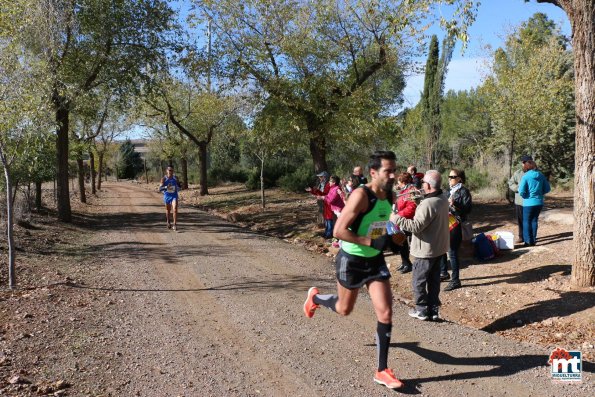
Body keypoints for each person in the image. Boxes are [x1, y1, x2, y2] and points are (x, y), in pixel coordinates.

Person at [303, 151, 404, 390]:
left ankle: (382, 370)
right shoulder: (361, 195)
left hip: (375, 261)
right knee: (344, 309)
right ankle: (315, 298)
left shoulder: (390, 195)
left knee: (386, 313)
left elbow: (381, 224)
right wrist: (370, 242)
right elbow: (338, 230)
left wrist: (395, 236)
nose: (392, 175)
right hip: (352, 260)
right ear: (373, 173)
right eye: (387, 171)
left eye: (394, 170)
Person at [390, 170, 449, 321]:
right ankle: (433, 310)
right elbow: (430, 217)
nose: (421, 185)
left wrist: (394, 218)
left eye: (423, 183)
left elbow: (415, 226)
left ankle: (422, 310)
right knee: (434, 280)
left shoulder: (428, 203)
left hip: (425, 250)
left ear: (428, 185)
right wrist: (418, 202)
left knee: (419, 280)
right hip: (438, 248)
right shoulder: (442, 197)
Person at [440, 169, 473, 291]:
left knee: (452, 253)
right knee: (441, 249)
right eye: (448, 176)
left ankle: (455, 280)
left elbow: (468, 209)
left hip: (456, 225)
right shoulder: (448, 191)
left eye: (452, 176)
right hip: (444, 223)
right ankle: (443, 272)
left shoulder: (464, 191)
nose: (449, 178)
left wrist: (455, 204)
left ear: (459, 178)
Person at [518, 160, 551, 246]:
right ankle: (533, 240)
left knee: (526, 221)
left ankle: (528, 242)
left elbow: (521, 191)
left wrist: (525, 196)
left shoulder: (525, 176)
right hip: (539, 202)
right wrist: (540, 194)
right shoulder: (541, 175)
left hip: (528, 203)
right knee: (534, 220)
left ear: (526, 167)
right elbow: (547, 189)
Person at [393, 172, 417, 274]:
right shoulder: (404, 190)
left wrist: (398, 214)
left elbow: (412, 207)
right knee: (400, 242)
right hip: (401, 219)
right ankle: (404, 262)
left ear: (403, 181)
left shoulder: (411, 191)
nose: (397, 183)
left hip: (408, 220)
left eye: (398, 181)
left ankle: (407, 264)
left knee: (402, 242)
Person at [507, 155, 532, 244]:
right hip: (519, 201)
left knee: (530, 220)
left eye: (529, 162)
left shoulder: (535, 173)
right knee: (521, 220)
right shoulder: (517, 173)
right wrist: (518, 188)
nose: (527, 164)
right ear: (523, 163)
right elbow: (510, 183)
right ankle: (521, 237)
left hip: (531, 201)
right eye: (526, 162)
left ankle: (529, 238)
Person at [159, 166, 182, 230]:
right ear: (167, 171)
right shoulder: (163, 179)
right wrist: (166, 187)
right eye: (169, 170)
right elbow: (160, 189)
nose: (170, 172)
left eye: (172, 170)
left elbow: (179, 186)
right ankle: (168, 222)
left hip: (174, 195)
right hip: (167, 196)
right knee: (168, 210)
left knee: (174, 209)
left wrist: (179, 185)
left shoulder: (175, 178)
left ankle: (174, 224)